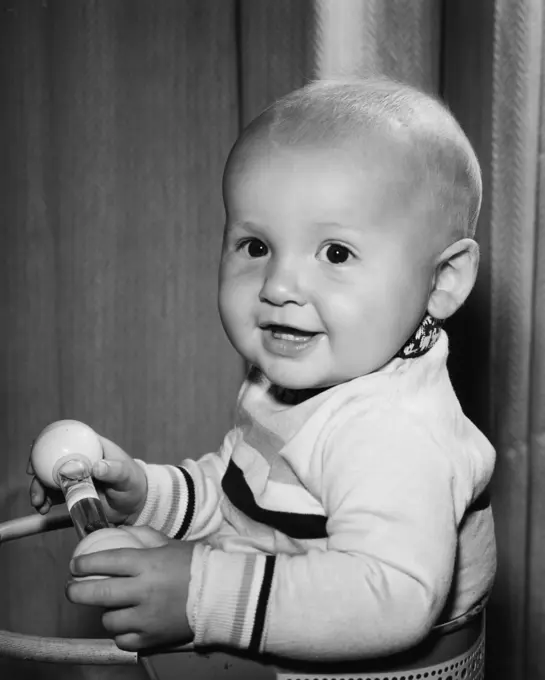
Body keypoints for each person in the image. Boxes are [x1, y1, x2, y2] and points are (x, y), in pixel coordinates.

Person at [29, 77, 496, 670]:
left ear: (443, 280)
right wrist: (149, 495)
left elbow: (392, 597)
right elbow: (244, 499)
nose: (277, 287)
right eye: (255, 247)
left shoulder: (392, 431)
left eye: (335, 253)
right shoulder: (297, 378)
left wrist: (202, 595)